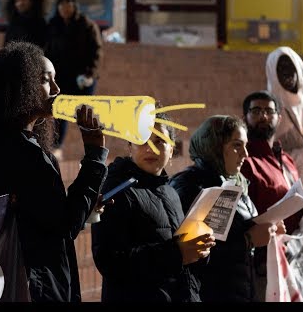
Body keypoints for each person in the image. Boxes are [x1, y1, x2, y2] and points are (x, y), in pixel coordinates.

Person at [0, 41, 109, 302]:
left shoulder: (8, 144)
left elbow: (46, 215)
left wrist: (84, 204)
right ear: (21, 87)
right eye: (45, 80)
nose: (57, 89)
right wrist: (95, 155)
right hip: (35, 284)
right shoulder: (19, 152)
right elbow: (64, 225)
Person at [91, 111, 215, 302]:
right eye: (142, 140)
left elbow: (181, 262)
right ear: (130, 147)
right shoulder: (115, 189)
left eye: (159, 141)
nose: (150, 148)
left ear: (172, 149)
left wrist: (198, 250)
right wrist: (177, 253)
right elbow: (109, 260)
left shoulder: (170, 191)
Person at [169, 115, 284, 302]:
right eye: (236, 145)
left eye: (245, 145)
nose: (245, 154)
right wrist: (248, 240)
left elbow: (240, 233)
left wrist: (269, 230)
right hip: (211, 293)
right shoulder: (190, 186)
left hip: (241, 291)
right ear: (214, 145)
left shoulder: (235, 182)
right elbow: (193, 254)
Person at [240, 90, 303, 301]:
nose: (263, 116)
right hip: (261, 267)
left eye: (269, 111)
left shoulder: (287, 160)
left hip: (293, 260)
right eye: (256, 111)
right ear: (245, 117)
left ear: (279, 118)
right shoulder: (244, 162)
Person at [45, 0, 103, 160]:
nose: (65, 8)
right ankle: (56, 149)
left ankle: (93, 150)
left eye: (68, 4)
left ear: (74, 6)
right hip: (61, 78)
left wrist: (90, 74)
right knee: (59, 114)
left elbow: (96, 51)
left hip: (82, 79)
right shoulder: (53, 25)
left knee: (85, 115)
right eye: (61, 5)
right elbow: (47, 51)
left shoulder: (86, 25)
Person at [266, 46, 303, 183]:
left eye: (290, 65)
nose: (287, 72)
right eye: (280, 68)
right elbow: (272, 159)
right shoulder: (272, 109)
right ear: (273, 74)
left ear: (298, 66)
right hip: (289, 185)